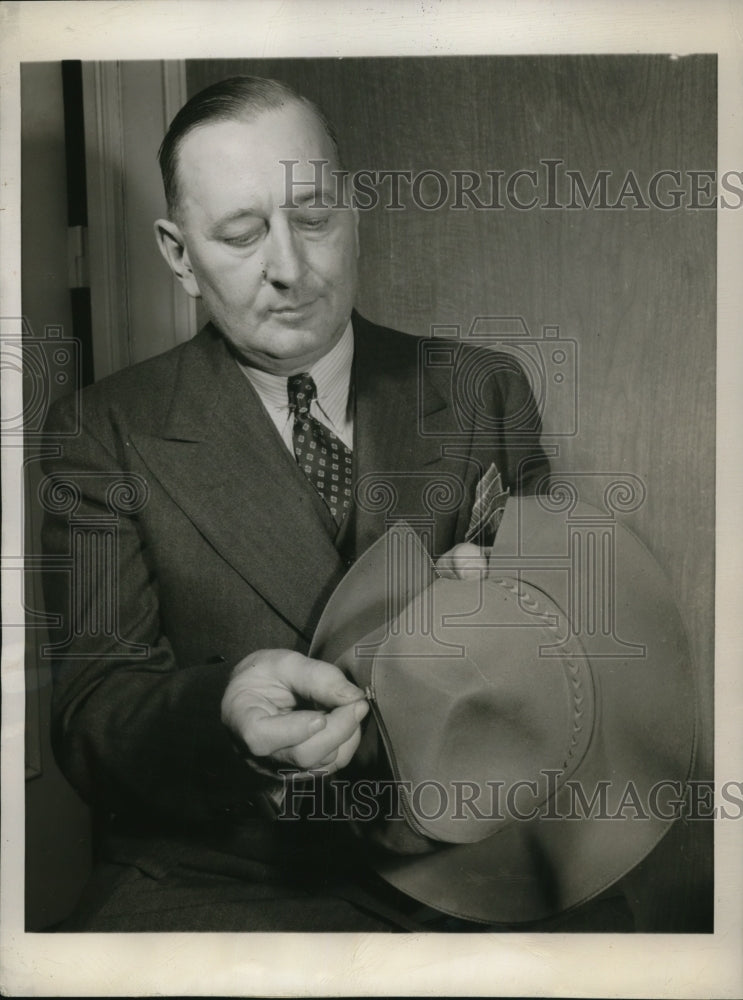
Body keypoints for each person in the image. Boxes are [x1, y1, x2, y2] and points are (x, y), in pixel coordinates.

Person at [41, 75, 570, 932]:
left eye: (314, 217)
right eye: (241, 235)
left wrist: (516, 612)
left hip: (469, 863)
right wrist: (220, 710)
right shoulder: (102, 430)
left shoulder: (481, 390)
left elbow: (565, 648)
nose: (288, 268)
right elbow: (91, 714)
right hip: (221, 877)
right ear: (179, 255)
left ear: (354, 212)